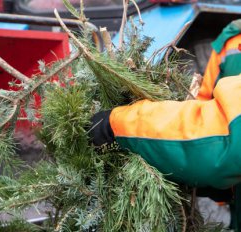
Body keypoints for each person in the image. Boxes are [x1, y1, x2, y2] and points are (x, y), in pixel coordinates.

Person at [90, 19, 241, 229]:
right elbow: (206, 104)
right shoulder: (230, 41)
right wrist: (230, 188)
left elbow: (223, 136)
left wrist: (115, 125)